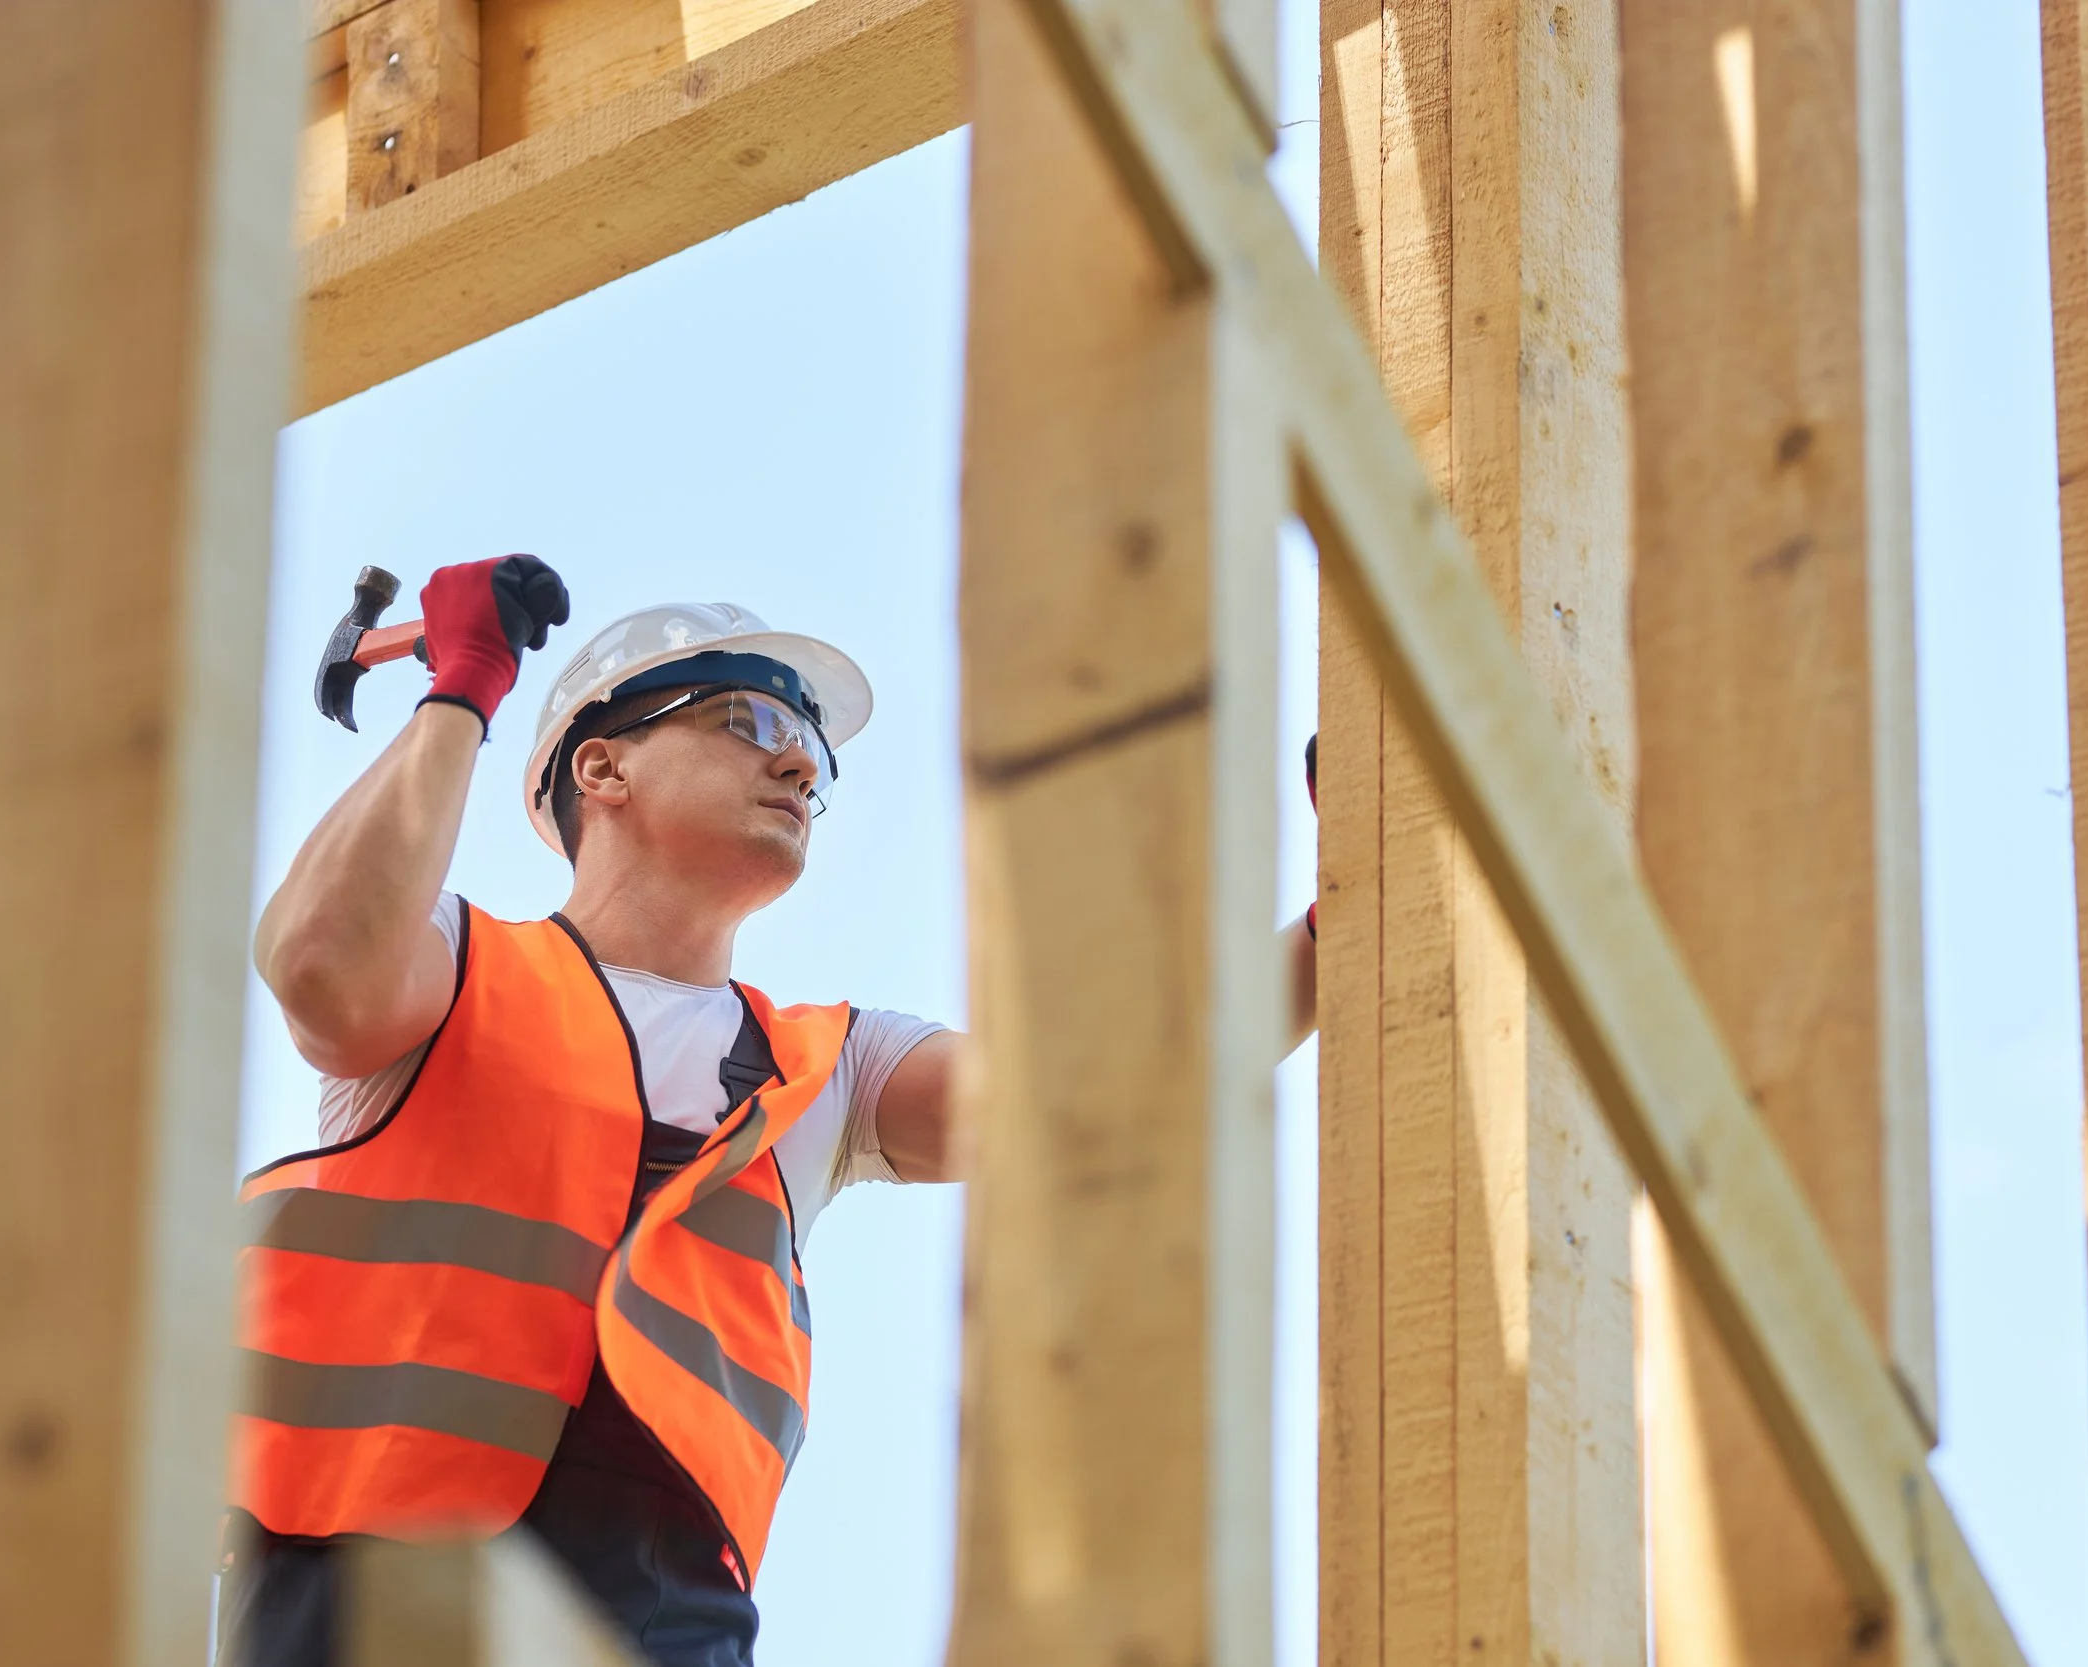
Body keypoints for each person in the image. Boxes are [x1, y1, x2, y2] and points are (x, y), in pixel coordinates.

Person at [218, 556, 1318, 1667]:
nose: (798, 758)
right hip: (362, 1584)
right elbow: (319, 966)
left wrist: (1327, 934)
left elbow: (1115, 1080)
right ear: (601, 767)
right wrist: (460, 690)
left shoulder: (826, 1065)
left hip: (658, 1616)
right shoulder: (452, 961)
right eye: (748, 717)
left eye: (815, 749)